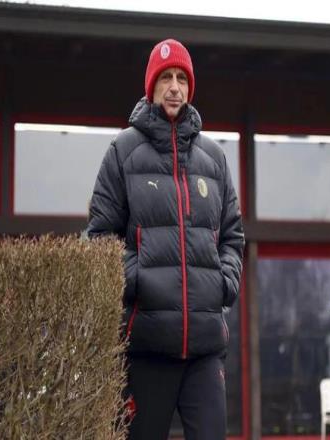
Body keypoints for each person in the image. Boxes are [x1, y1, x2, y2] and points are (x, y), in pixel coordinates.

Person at [85, 38, 244, 440]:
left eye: (181, 79)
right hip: (146, 348)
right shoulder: (122, 151)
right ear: (151, 87)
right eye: (165, 78)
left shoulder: (214, 158)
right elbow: (101, 238)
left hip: (205, 351)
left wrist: (223, 282)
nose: (174, 87)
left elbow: (232, 235)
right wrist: (140, 282)